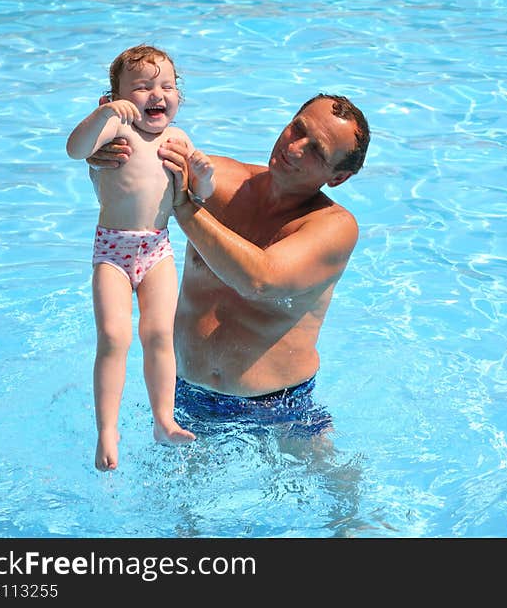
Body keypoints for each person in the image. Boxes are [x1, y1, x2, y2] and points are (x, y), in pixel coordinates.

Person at [86, 93, 370, 438]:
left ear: (337, 178)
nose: (295, 147)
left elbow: (259, 279)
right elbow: (134, 174)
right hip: (184, 396)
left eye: (316, 151)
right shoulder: (216, 179)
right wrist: (108, 149)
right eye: (298, 129)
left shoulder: (334, 226)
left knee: (337, 488)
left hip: (279, 410)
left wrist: (186, 208)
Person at [67, 44, 215, 471]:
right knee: (114, 338)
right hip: (113, 249)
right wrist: (104, 115)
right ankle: (107, 431)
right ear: (116, 96)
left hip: (157, 248)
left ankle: (163, 420)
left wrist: (202, 175)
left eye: (167, 86)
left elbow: (199, 195)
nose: (157, 94)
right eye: (143, 87)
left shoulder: (178, 139)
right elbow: (75, 150)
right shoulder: (111, 134)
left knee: (158, 335)